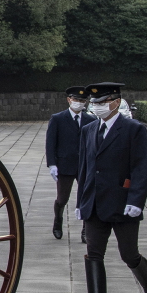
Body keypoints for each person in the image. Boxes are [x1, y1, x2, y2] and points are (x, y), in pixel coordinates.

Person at [74, 82, 147, 293]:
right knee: (93, 254)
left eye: (101, 102)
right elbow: (84, 169)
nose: (97, 107)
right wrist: (80, 200)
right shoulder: (89, 130)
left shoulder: (133, 129)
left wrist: (136, 200)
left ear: (115, 102)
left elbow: (141, 168)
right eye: (94, 103)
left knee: (129, 255)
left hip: (122, 203)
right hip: (94, 203)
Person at [45, 85, 95, 240]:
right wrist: (52, 164)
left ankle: (86, 230)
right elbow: (50, 143)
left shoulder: (90, 119)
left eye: (82, 100)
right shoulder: (58, 118)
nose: (79, 103)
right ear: (68, 100)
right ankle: (57, 221)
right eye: (76, 99)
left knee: (86, 198)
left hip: (84, 166)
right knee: (62, 199)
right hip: (65, 165)